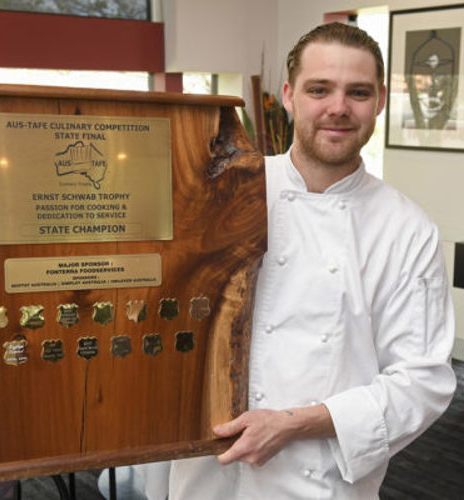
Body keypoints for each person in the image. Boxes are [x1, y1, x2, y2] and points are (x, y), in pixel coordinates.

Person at [135, 22, 456, 499]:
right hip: (208, 474)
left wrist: (292, 424)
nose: (339, 108)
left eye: (359, 92)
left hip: (319, 478)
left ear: (381, 100)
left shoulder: (407, 230)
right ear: (288, 95)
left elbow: (422, 382)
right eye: (319, 89)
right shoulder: (224, 195)